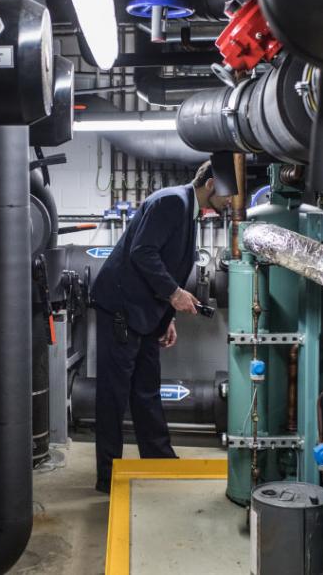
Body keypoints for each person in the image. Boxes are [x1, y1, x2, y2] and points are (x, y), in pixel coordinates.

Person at [90, 161, 231, 493]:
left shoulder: (189, 212)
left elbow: (171, 266)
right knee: (113, 396)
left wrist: (166, 320)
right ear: (211, 185)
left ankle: (158, 460)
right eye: (229, 196)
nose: (231, 204)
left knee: (146, 390)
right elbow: (143, 253)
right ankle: (107, 476)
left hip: (147, 315)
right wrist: (173, 294)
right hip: (121, 310)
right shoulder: (171, 202)